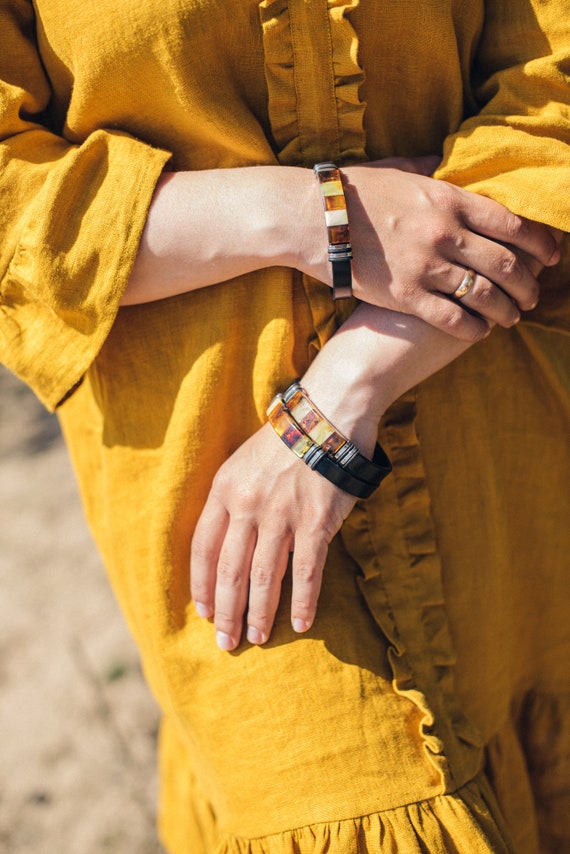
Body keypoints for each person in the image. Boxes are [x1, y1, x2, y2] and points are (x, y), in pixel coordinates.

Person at [1, 1, 569, 851]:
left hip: (501, 445)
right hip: (219, 506)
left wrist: (344, 392)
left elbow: (550, 105)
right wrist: (312, 216)